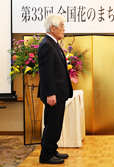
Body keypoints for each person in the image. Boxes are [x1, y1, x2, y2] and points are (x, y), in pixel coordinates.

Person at [37, 14, 73, 164]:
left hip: (59, 93)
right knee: (52, 124)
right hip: (54, 94)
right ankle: (46, 155)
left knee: (56, 123)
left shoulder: (53, 44)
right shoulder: (46, 45)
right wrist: (50, 93)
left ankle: (52, 150)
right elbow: (47, 73)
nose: (64, 29)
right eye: (62, 26)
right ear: (52, 28)